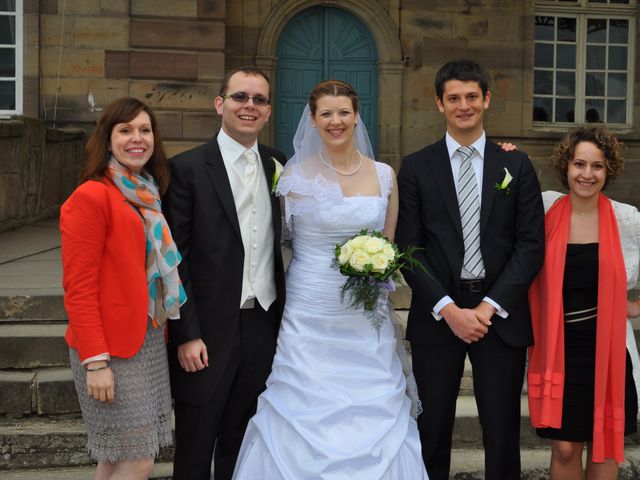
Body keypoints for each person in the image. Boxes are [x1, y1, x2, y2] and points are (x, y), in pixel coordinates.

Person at [231, 79, 428, 479]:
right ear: (313, 120)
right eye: (326, 114)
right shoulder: (291, 177)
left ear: (357, 116)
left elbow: (389, 246)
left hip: (364, 313)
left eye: (343, 112)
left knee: (374, 399)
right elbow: (279, 244)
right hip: (309, 310)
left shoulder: (386, 176)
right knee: (301, 403)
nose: (335, 121)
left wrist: (374, 269)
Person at [396, 58, 545, 480]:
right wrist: (448, 308)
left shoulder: (515, 165)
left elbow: (531, 244)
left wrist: (487, 307)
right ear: (440, 104)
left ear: (487, 100)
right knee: (433, 427)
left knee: (501, 431)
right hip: (438, 313)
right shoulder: (417, 167)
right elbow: (408, 247)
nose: (464, 106)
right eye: (454, 98)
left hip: (499, 313)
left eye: (472, 97)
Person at [162, 66, 287, 480]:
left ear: (268, 111)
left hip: (263, 323)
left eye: (259, 100)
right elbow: (174, 260)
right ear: (220, 104)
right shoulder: (187, 169)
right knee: (197, 446)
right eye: (240, 97)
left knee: (244, 442)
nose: (249, 106)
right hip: (206, 332)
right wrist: (186, 332)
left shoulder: (278, 163)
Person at [60, 97, 184, 480]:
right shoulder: (92, 195)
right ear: (107, 138)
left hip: (146, 338)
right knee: (139, 459)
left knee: (116, 459)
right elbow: (78, 288)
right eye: (126, 130)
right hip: (108, 350)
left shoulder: (146, 192)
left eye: (145, 130)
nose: (137, 138)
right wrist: (96, 361)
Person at [528, 126, 639, 479]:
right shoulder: (544, 209)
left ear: (609, 171)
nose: (587, 175)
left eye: (597, 166)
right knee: (563, 447)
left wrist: (634, 307)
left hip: (609, 349)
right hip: (559, 347)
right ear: (567, 166)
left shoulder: (627, 220)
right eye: (580, 164)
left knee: (604, 448)